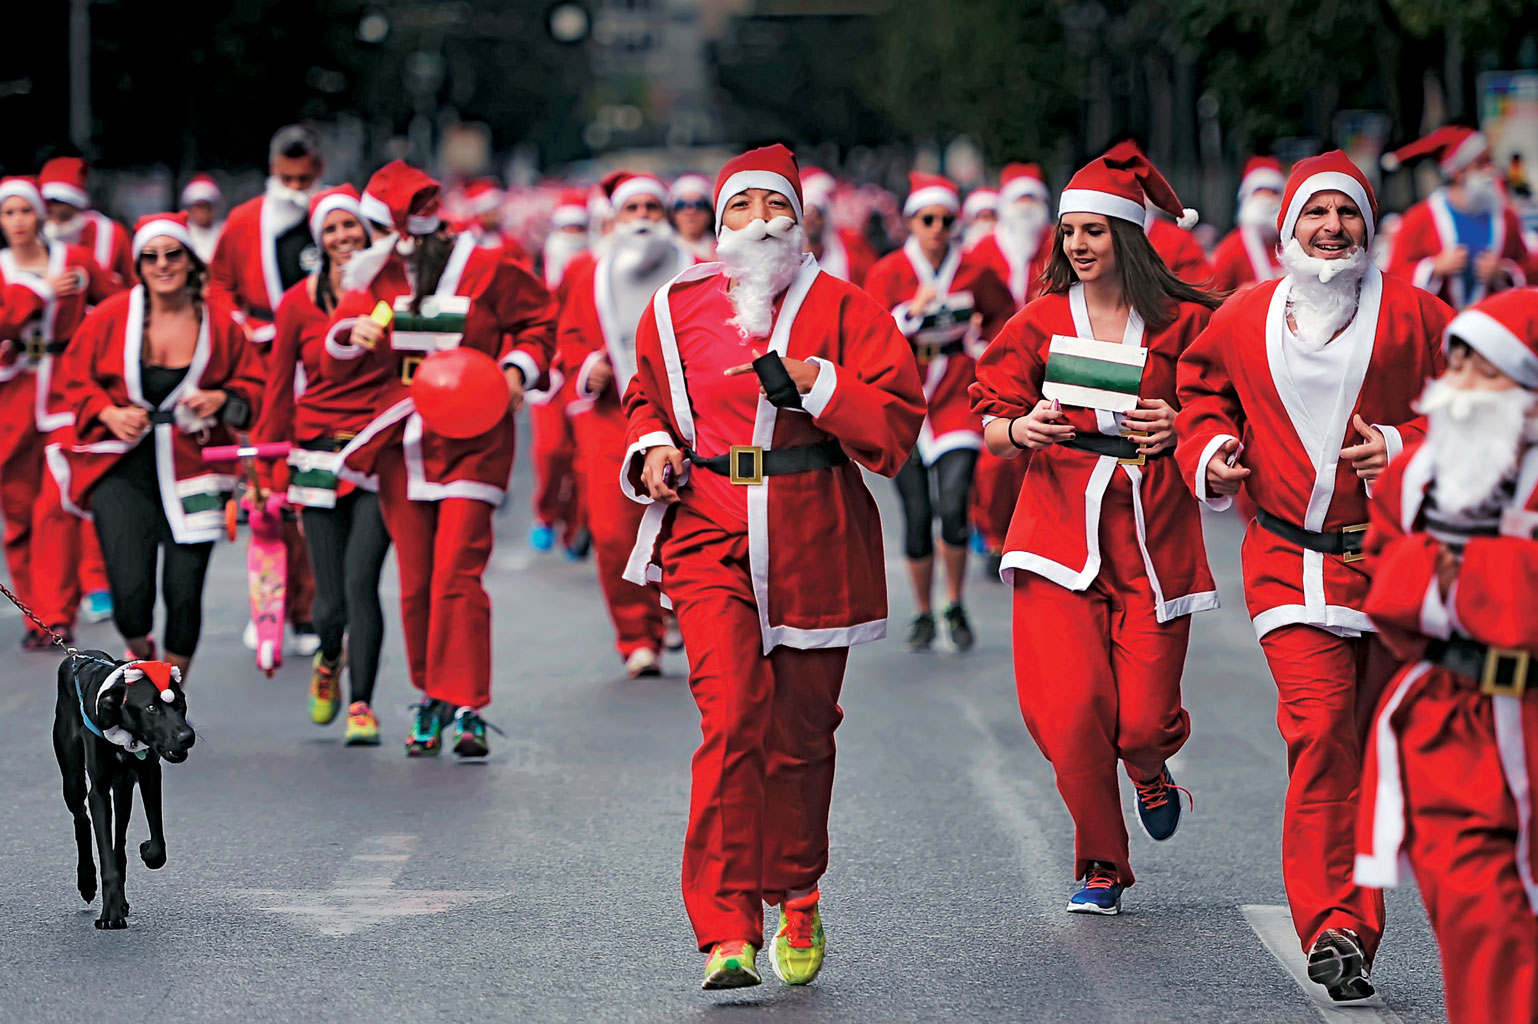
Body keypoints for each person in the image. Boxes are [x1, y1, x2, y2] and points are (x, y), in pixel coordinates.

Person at [619, 143, 924, 989]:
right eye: (742, 209)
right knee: (730, 719)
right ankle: (724, 929)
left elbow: (897, 430)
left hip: (813, 530)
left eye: (773, 206)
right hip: (708, 526)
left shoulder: (847, 308)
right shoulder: (675, 307)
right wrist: (650, 452)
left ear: (799, 218)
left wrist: (822, 385)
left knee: (799, 736)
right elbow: (643, 399)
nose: (760, 222)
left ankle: (796, 889)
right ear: (720, 225)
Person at [1175, 151, 1453, 1001]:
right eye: (1316, 215)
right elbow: (1200, 393)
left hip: (1391, 564)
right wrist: (1211, 452)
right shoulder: (1245, 315)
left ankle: (1353, 929)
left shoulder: (1418, 315)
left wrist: (1405, 446)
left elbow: (1482, 403)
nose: (1332, 230)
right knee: (1320, 731)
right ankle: (1332, 923)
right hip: (1287, 560)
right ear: (1289, 228)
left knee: (1374, 749)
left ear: (1370, 230)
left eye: (1348, 217)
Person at [972, 146, 1221, 916]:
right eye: (1069, 231)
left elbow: (1226, 407)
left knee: (1142, 720)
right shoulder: (1038, 320)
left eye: (1095, 231)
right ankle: (1101, 863)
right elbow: (987, 415)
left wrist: (1181, 425)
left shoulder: (1186, 321)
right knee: (1071, 713)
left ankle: (1151, 765)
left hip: (1151, 538)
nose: (1078, 245)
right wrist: (1023, 429)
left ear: (1129, 238)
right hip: (1055, 535)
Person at [323, 161, 555, 758]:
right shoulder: (372, 273)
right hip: (402, 445)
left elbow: (538, 322)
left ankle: (469, 703)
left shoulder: (486, 265)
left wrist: (514, 371)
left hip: (475, 438)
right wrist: (352, 338)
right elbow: (337, 343)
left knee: (458, 573)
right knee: (417, 582)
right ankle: (431, 696)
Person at [1352, 288, 1538, 1024]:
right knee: (1481, 926)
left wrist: (1466, 575)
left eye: (1482, 370)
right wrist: (1479, 580)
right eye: (1454, 365)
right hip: (1453, 732)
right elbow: (1387, 585)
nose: (1458, 387)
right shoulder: (1423, 475)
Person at [54, 212, 262, 682]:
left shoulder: (222, 324)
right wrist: (108, 412)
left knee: (184, 590)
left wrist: (222, 399)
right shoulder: (110, 316)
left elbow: (254, 386)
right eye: (150, 256)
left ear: (190, 260)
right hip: (121, 467)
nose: (162, 264)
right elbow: (74, 377)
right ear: (138, 264)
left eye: (173, 254)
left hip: (197, 468)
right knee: (129, 593)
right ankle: (144, 659)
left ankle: (171, 691)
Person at [253, 186, 392, 745]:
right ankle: (329, 658)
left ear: (366, 232)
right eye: (331, 230)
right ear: (318, 239)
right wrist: (265, 473)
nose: (342, 238)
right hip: (315, 456)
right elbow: (277, 391)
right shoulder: (296, 304)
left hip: (377, 453)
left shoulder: (389, 295)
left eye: (351, 227)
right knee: (328, 601)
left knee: (363, 584)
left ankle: (362, 704)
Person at [863, 171, 1013, 651]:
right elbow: (866, 334)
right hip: (904, 402)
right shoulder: (888, 272)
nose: (937, 227)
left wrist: (978, 339)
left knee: (952, 506)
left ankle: (953, 600)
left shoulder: (974, 273)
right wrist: (911, 312)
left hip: (954, 398)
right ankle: (923, 611)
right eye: (927, 218)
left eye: (946, 219)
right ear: (909, 221)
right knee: (916, 512)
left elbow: (1005, 319)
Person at [558, 171, 695, 677]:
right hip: (609, 417)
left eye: (651, 210)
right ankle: (637, 637)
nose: (641, 221)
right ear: (614, 219)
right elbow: (566, 335)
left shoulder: (695, 268)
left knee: (688, 522)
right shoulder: (585, 272)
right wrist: (582, 365)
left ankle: (682, 610)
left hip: (684, 418)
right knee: (614, 531)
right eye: (631, 211)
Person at [206, 123, 323, 656]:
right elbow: (219, 287)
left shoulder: (329, 218)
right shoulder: (244, 221)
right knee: (264, 493)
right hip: (261, 365)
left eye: (304, 177)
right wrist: (240, 326)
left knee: (313, 493)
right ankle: (269, 607)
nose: (295, 186)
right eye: (287, 176)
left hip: (317, 374)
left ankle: (309, 610)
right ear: (272, 170)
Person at [0, 176, 121, 646]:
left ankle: (57, 615)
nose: (17, 222)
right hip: (11, 404)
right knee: (19, 514)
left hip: (65, 400)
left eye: (25, 211)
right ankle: (37, 617)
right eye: (8, 213)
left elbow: (117, 305)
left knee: (57, 506)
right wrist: (42, 291)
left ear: (40, 215)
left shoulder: (75, 261)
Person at [1382, 125, 1534, 309]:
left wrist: (1504, 271)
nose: (1490, 171)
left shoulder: (1506, 217)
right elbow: (1391, 278)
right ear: (1457, 172)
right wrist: (1434, 268)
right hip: (1438, 328)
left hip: (1492, 325)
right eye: (1481, 163)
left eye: (1490, 161)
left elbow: (1530, 268)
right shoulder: (1419, 218)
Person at [526, 188, 592, 558]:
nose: (572, 236)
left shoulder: (592, 270)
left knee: (582, 458)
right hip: (547, 377)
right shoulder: (537, 272)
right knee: (551, 452)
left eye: (578, 228)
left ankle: (576, 527)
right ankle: (545, 514)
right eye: (565, 228)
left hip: (581, 375)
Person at [38, 157, 136, 288]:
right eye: (44, 201)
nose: (49, 207)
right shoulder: (32, 236)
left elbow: (133, 282)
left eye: (56, 201)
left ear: (75, 203)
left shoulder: (111, 234)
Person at [1210, 156, 1286, 294]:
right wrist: (1241, 297)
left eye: (1273, 193)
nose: (1267, 200)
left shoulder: (1297, 242)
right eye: (1261, 192)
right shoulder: (1232, 248)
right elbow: (1212, 297)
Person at [800, 168, 876, 287]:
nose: (812, 221)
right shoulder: (785, 257)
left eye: (818, 214)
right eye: (807, 214)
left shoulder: (852, 248)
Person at [670, 174, 717, 261]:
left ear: (709, 213)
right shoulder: (664, 250)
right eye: (682, 205)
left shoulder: (724, 250)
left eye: (699, 205)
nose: (690, 211)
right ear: (673, 214)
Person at [180, 175, 225, 264]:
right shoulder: (183, 234)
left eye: (207, 206)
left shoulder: (224, 232)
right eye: (199, 206)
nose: (203, 211)